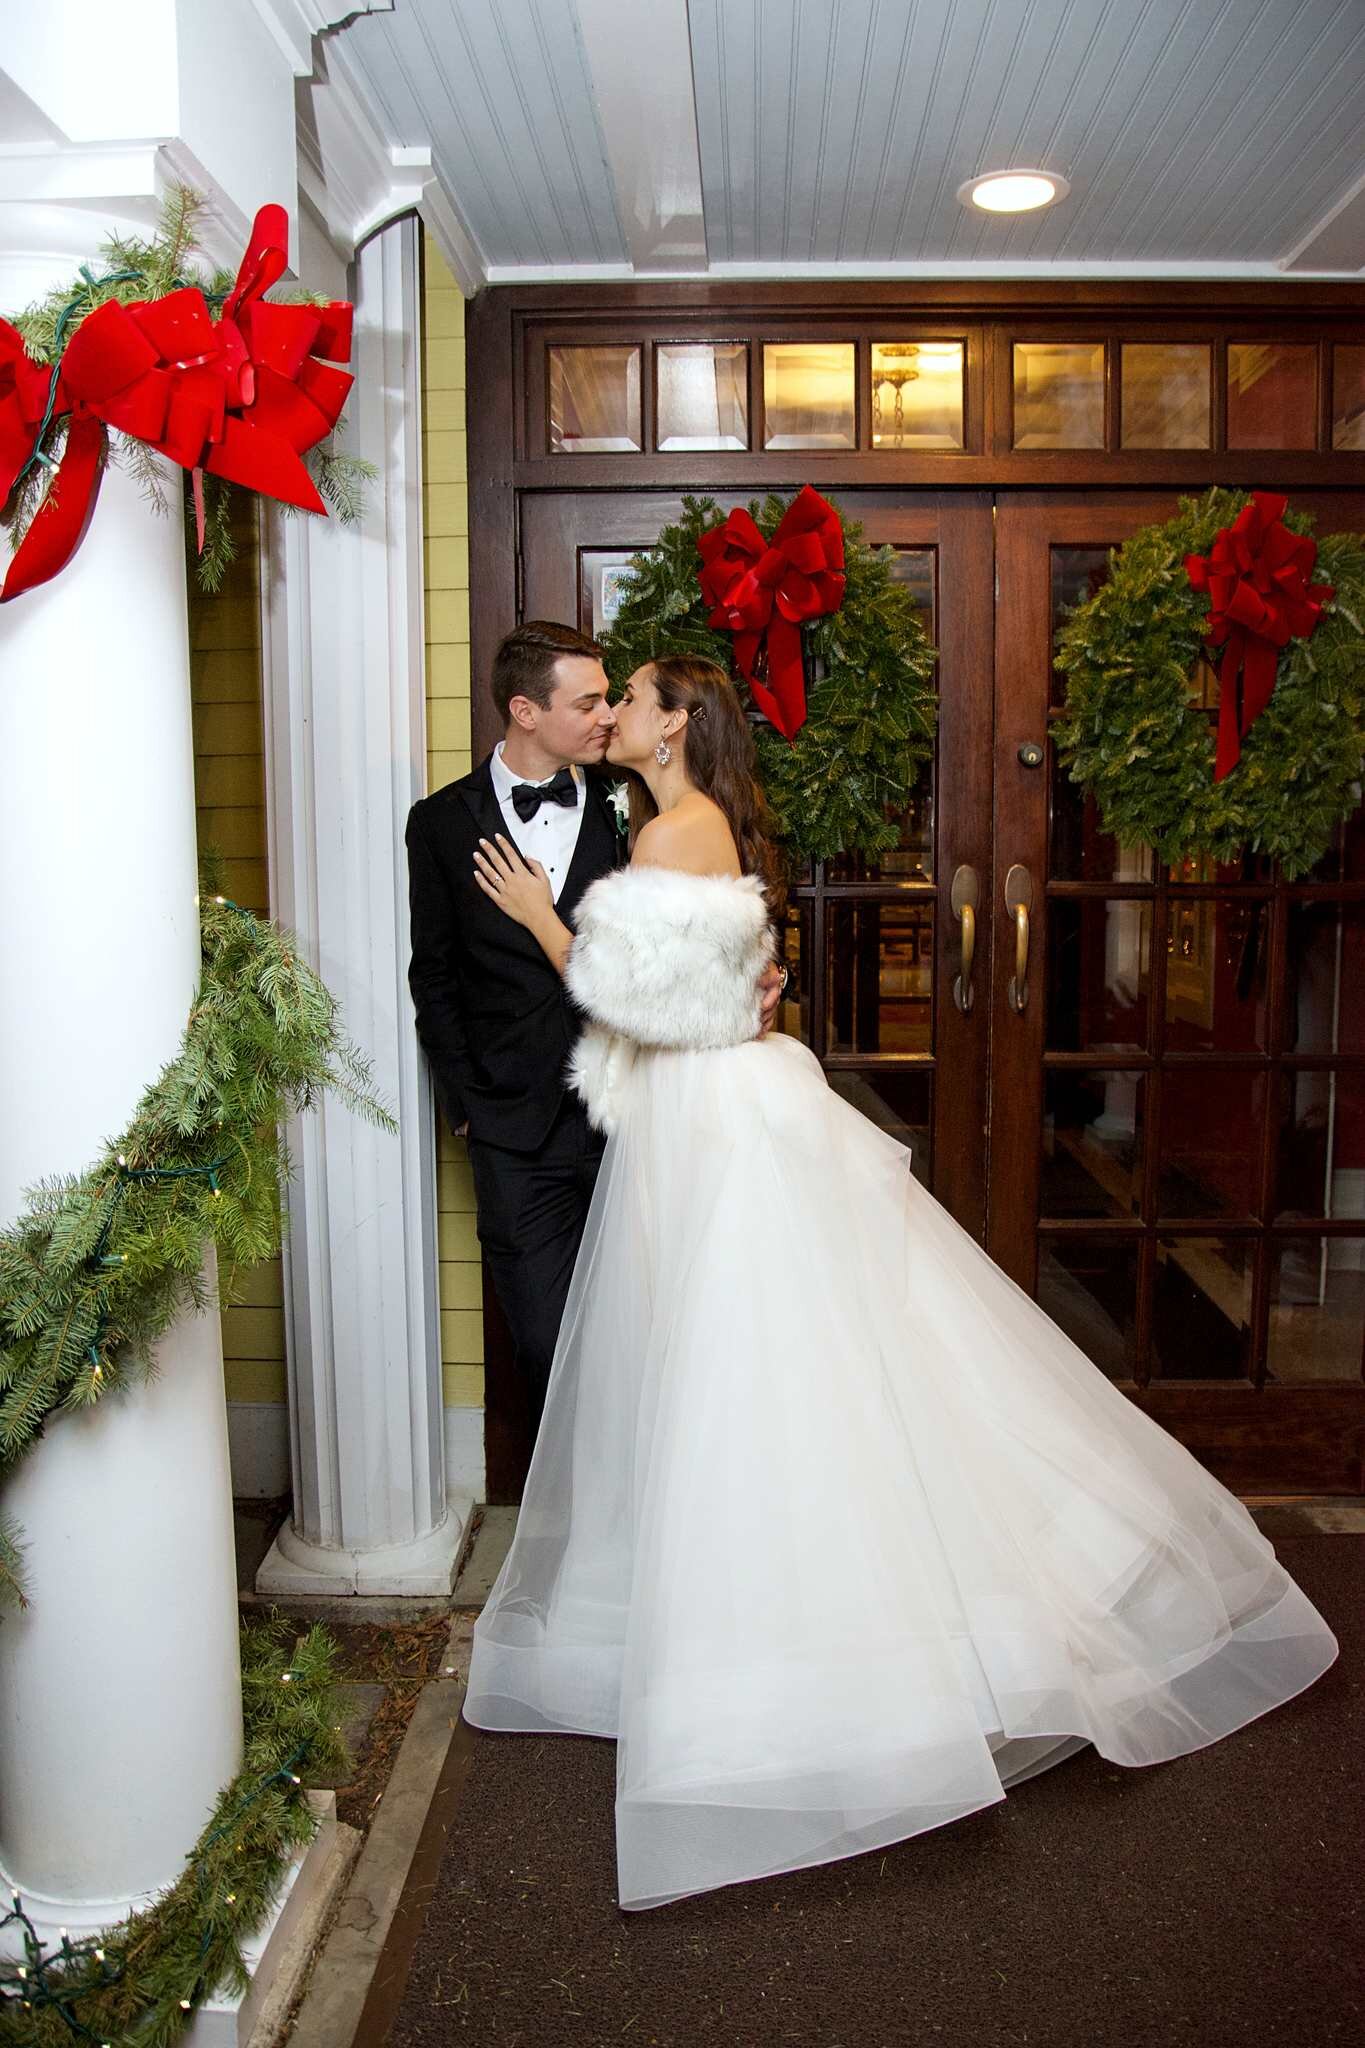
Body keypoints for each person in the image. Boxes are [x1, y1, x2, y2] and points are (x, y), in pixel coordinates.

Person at [459, 651, 1340, 1914]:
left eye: (636, 698)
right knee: (770, 1373)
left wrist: (547, 925)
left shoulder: (673, 837)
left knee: (750, 1380)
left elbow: (639, 1005)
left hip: (713, 1128)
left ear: (675, 726)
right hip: (715, 1117)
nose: (619, 713)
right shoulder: (685, 827)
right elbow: (722, 989)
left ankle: (790, 1651)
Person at [404, 620, 782, 1439]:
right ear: (525, 711)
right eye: (588, 701)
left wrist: (747, 977)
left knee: (658, 1339)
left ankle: (648, 1531)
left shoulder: (636, 811)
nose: (609, 714)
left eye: (618, 697)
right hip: (513, 1128)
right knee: (547, 1343)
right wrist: (467, 1102)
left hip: (639, 1120)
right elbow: (432, 975)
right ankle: (592, 1524)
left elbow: (682, 937)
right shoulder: (438, 824)